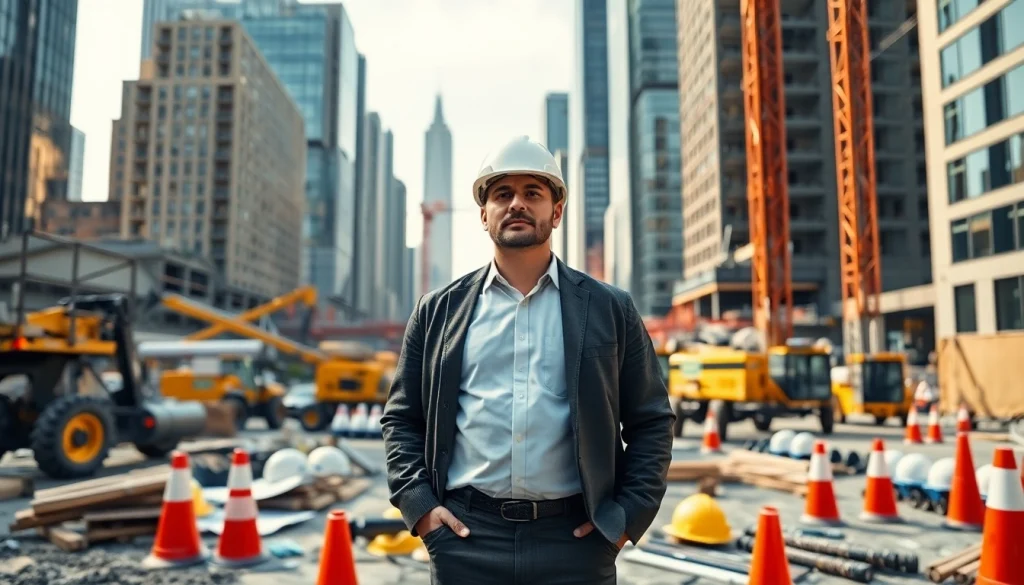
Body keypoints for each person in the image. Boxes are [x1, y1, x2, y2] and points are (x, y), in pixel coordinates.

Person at [381, 135, 675, 584]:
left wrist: (623, 521)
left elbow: (652, 421)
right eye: (502, 194)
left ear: (556, 212)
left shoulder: (610, 308)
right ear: (484, 215)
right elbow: (402, 419)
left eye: (532, 193)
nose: (517, 203)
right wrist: (421, 509)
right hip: (465, 541)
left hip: (577, 544)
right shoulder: (437, 311)